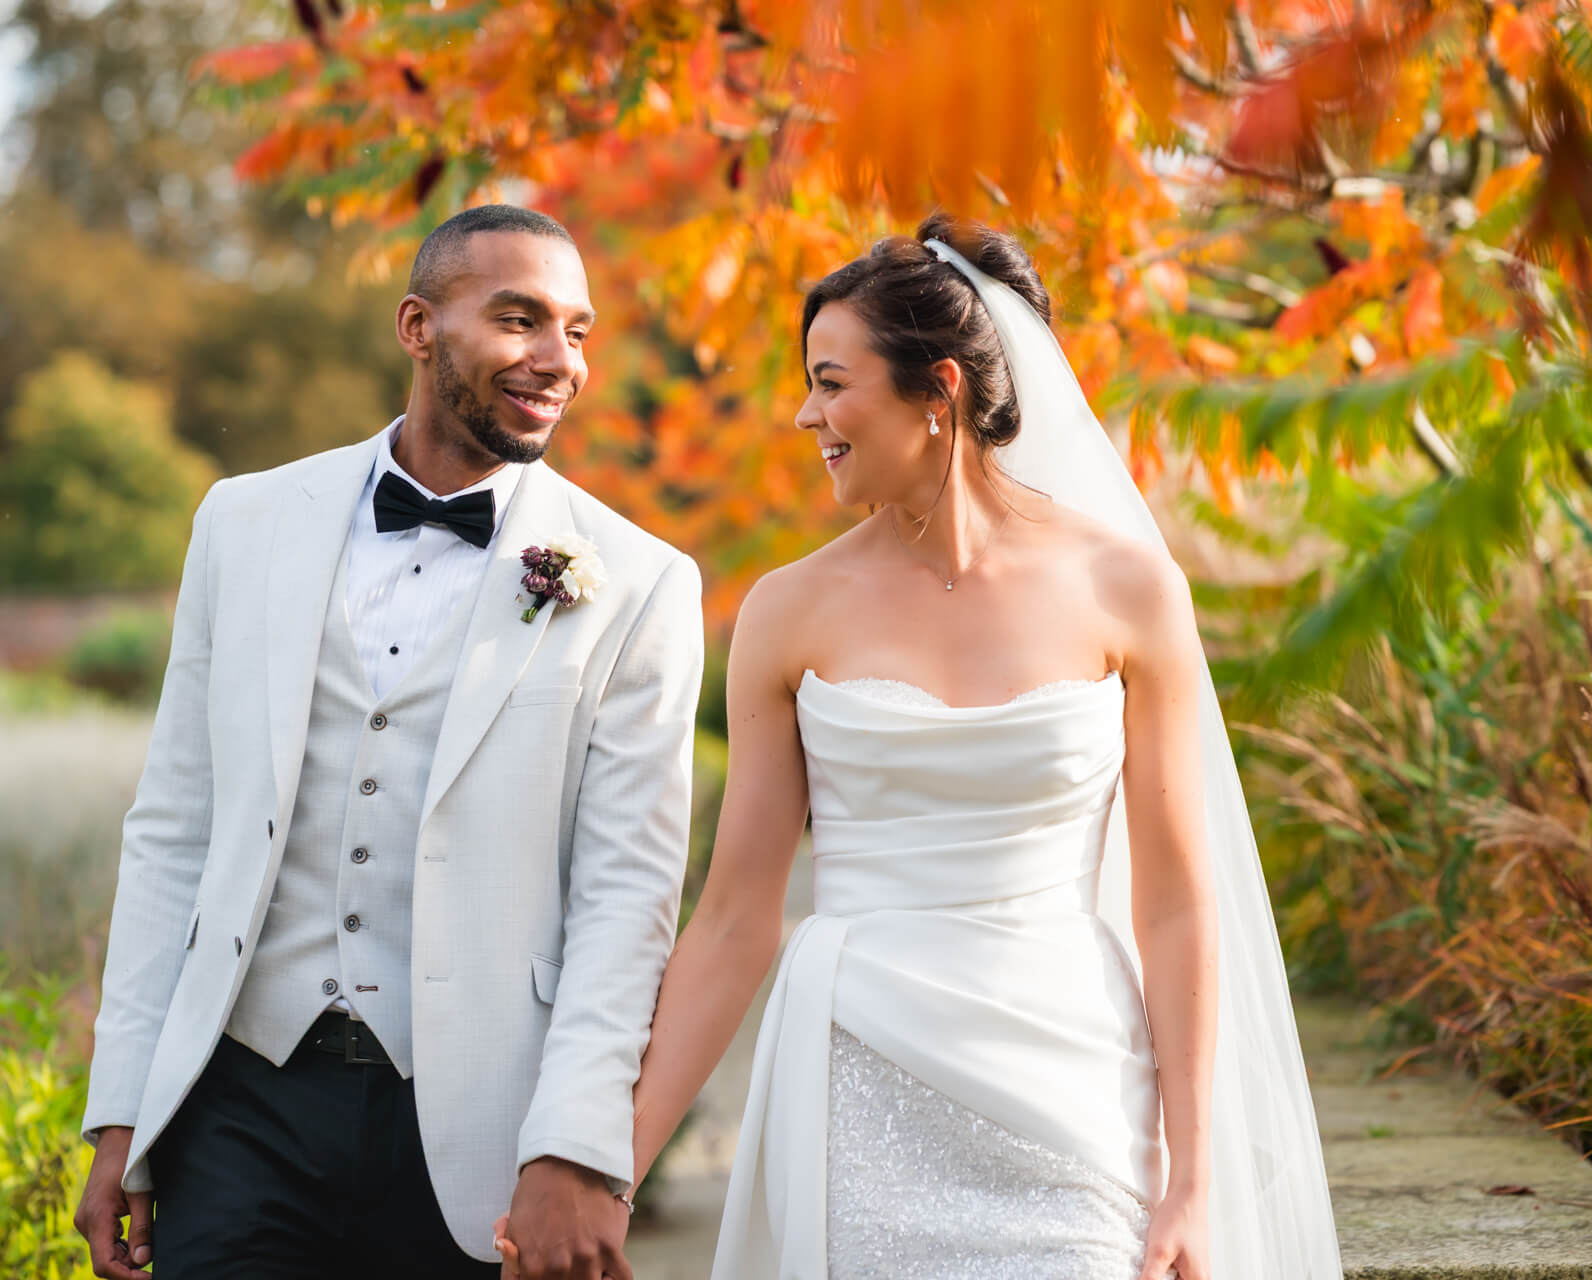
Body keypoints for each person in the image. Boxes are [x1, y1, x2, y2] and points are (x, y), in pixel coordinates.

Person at [499, 213, 1344, 1279]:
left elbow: (1176, 903)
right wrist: (603, 1172)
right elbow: (732, 921)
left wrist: (1191, 1179)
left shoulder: (1128, 588)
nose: (808, 413)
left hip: (1076, 1090)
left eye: (832, 380)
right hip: (855, 1085)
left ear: (937, 388)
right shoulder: (786, 610)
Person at [71, 203, 705, 1280]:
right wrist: (124, 1102)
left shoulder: (640, 581)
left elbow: (625, 898)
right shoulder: (243, 520)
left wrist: (578, 1145)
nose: (559, 360)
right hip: (241, 1105)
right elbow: (174, 827)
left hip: (475, 1132)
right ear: (419, 326)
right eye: (520, 320)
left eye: (579, 331)